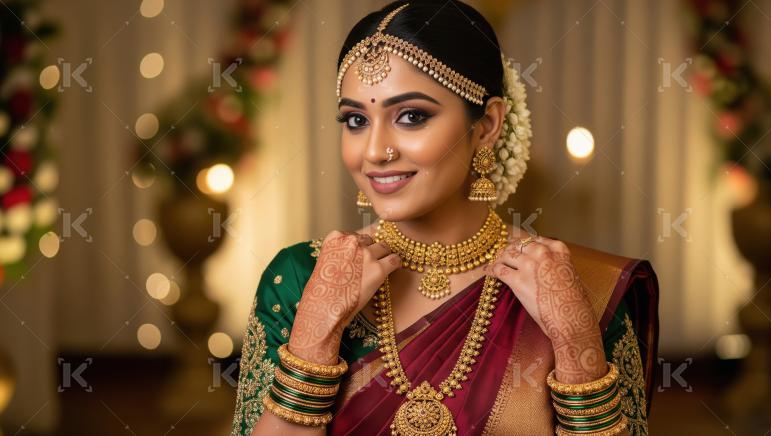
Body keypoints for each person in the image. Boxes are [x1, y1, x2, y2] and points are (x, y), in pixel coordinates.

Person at [231, 1, 659, 435]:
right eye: (356, 119)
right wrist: (313, 341)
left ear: (487, 125)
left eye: (412, 116)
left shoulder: (571, 287)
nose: (376, 151)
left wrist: (574, 342)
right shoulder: (303, 277)